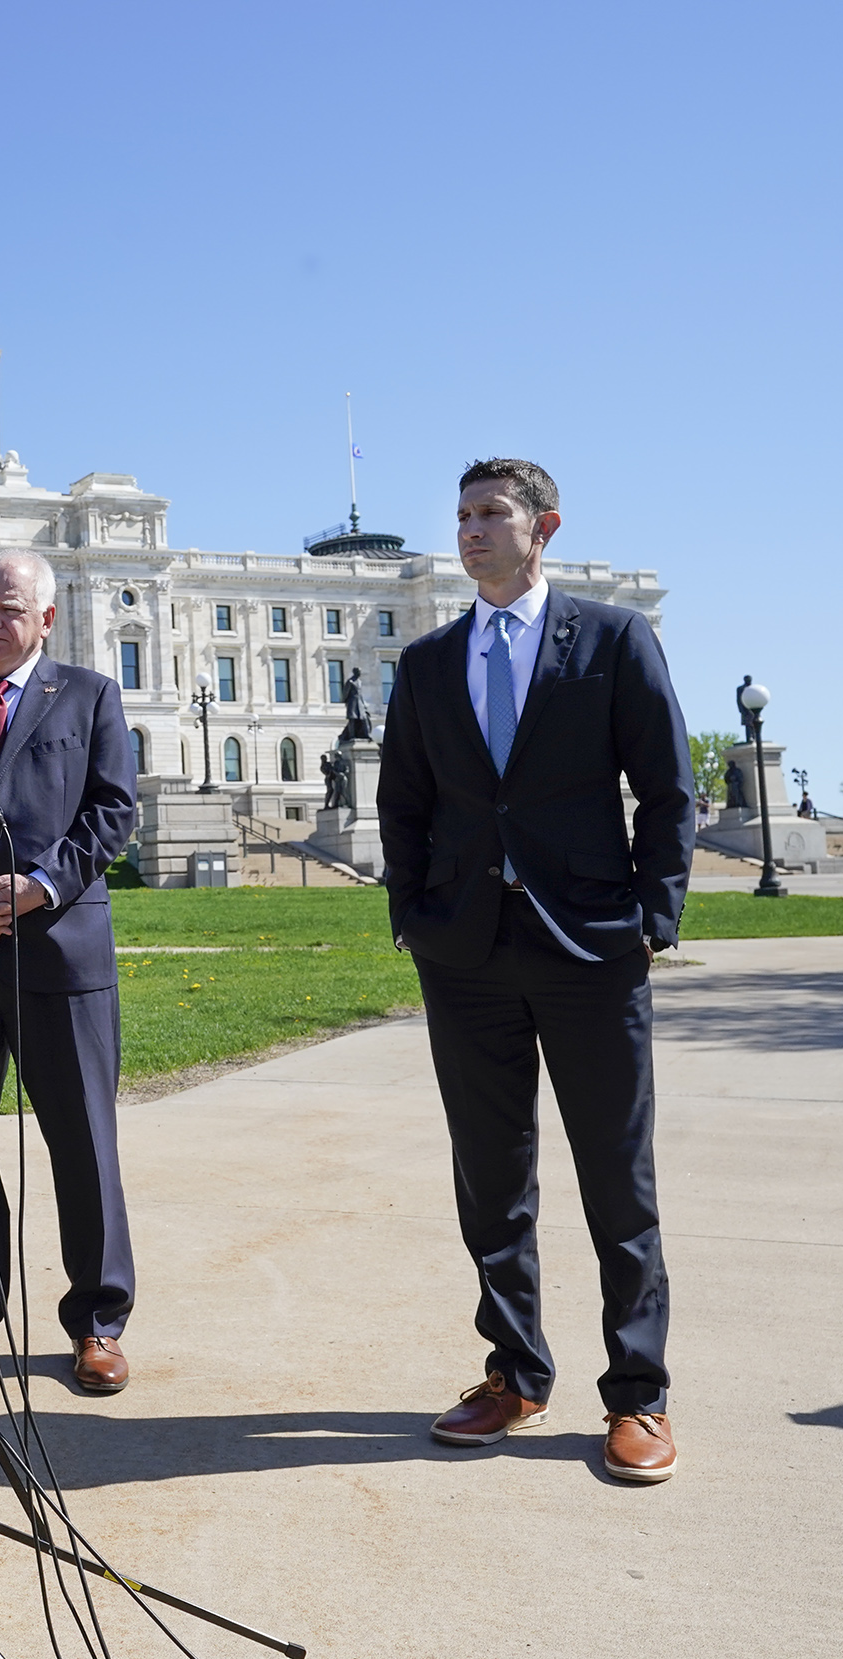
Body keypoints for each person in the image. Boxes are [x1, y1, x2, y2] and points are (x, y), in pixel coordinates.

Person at [377, 458, 695, 1483]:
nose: (471, 532)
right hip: (466, 951)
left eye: (491, 515)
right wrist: (414, 918)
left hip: (591, 947)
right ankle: (514, 1372)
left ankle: (638, 1396)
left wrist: (652, 917)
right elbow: (404, 804)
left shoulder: (611, 639)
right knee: (492, 1177)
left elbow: (667, 785)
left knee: (617, 1177)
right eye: (463, 516)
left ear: (543, 527)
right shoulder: (429, 663)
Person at [0, 551, 138, 1393]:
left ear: (47, 618)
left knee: (83, 1145)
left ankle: (98, 1321)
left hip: (61, 952)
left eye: (10, 607)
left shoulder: (91, 694)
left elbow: (111, 810)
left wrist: (37, 887)